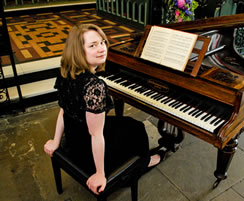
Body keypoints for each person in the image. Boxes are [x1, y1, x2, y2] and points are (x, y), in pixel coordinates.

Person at [44, 24, 167, 195]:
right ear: (78, 50)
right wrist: (100, 173)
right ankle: (143, 162)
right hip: (88, 151)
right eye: (92, 45)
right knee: (137, 129)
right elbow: (96, 135)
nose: (102, 48)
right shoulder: (94, 86)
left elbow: (64, 110)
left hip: (74, 140)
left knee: (130, 124)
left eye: (102, 42)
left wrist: (56, 140)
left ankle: (143, 159)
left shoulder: (66, 72)